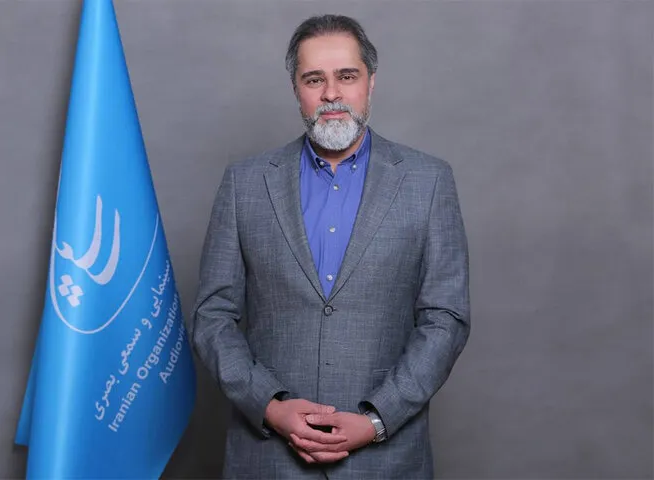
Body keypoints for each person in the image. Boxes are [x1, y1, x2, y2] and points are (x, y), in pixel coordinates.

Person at [191, 14, 470, 479]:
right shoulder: (245, 184)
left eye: (347, 76)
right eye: (314, 79)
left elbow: (446, 318)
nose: (331, 94)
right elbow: (212, 315)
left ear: (371, 82)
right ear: (296, 89)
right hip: (268, 460)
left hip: (387, 461)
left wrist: (377, 419)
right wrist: (269, 406)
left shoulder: (428, 182)